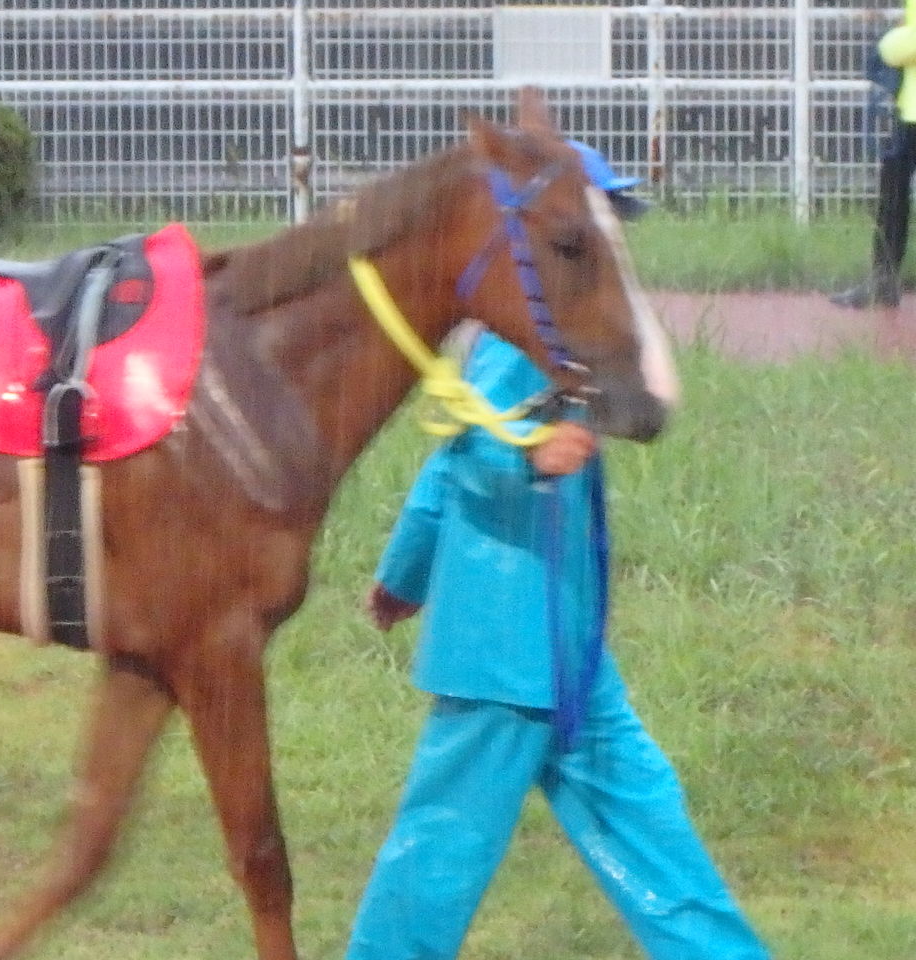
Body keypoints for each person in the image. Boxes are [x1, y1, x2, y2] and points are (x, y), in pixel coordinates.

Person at [343, 146, 772, 958]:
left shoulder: (569, 339)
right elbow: (467, 456)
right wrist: (525, 458)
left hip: (563, 644)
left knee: (646, 816)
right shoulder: (522, 343)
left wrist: (403, 576)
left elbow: (447, 465)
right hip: (505, 653)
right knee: (440, 852)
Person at [832, 6, 916, 309]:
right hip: (910, 113)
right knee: (892, 196)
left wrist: (888, 46)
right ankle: (883, 280)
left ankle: (883, 281)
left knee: (893, 195)